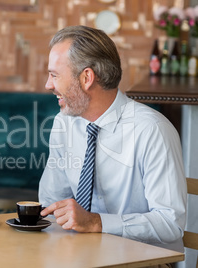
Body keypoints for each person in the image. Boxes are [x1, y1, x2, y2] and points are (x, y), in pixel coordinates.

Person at [38, 25, 187, 253]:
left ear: (87, 77)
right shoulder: (64, 123)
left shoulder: (152, 130)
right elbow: (52, 202)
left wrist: (97, 222)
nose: (48, 85)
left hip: (140, 261)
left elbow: (170, 223)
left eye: (54, 75)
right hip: (78, 255)